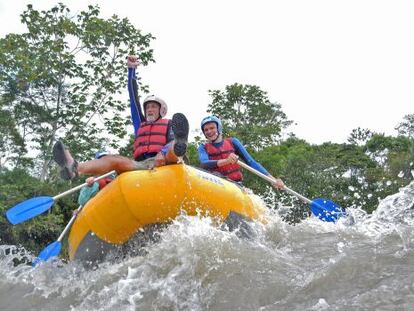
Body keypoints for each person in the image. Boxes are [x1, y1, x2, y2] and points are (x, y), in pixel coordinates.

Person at [53, 55, 189, 180]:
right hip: (142, 165)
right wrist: (131, 70)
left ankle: (180, 146)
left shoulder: (170, 123)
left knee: (173, 147)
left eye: (153, 107)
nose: (149, 109)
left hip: (165, 161)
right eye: (147, 107)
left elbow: (169, 144)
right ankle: (74, 168)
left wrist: (162, 152)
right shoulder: (140, 124)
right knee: (114, 160)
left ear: (161, 110)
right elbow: (133, 97)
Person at [198, 115, 285, 189]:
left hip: (236, 185)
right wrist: (226, 161)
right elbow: (204, 163)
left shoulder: (233, 142)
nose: (209, 131)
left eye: (212, 128)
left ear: (219, 128)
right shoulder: (203, 147)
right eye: (206, 130)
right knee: (216, 174)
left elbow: (251, 162)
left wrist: (273, 180)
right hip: (216, 185)